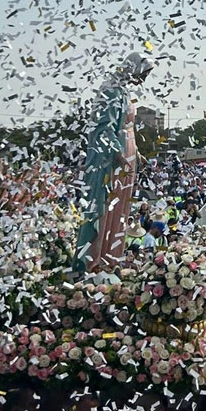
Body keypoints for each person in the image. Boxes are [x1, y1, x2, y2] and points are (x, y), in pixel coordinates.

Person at [74, 53, 152, 273]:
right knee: (106, 203)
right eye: (142, 74)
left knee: (121, 206)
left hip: (128, 151)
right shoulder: (109, 90)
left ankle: (111, 257)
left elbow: (128, 127)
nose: (142, 80)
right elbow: (102, 128)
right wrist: (117, 152)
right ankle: (94, 260)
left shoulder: (124, 93)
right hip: (111, 157)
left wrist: (135, 153)